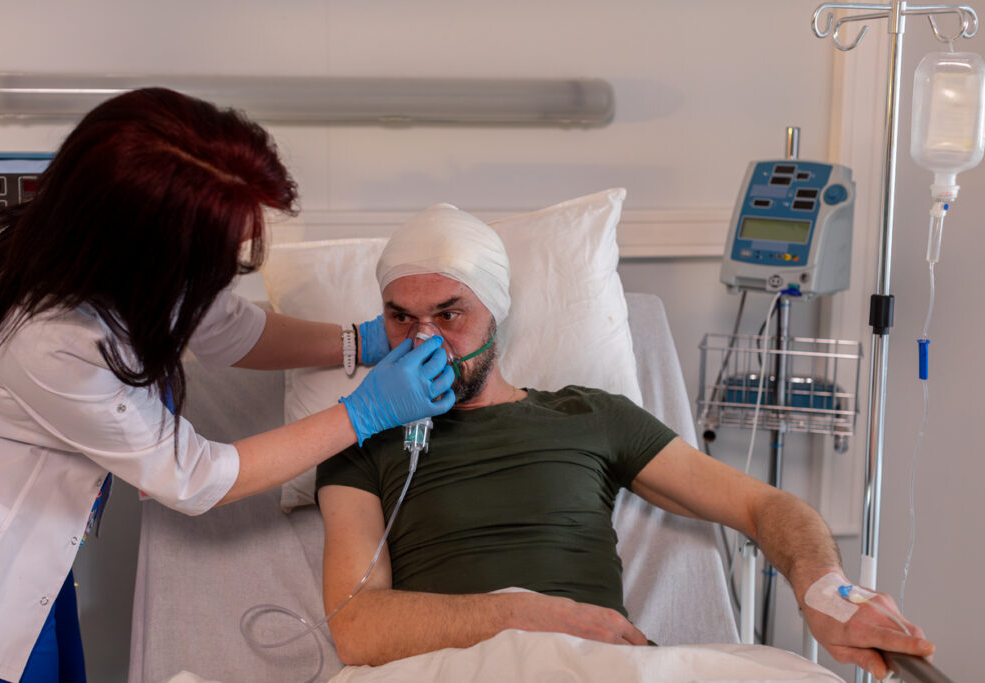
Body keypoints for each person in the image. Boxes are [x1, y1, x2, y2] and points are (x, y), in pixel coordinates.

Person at [316, 203, 934, 680]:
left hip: (600, 666)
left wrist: (824, 589)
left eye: (450, 315)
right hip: (453, 667)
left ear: (495, 315)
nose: (424, 341)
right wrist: (525, 615)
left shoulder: (590, 416)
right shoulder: (360, 437)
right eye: (401, 318)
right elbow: (356, 625)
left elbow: (764, 506)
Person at [0, 89, 454, 683]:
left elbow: (226, 330)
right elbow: (195, 477)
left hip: (38, 542)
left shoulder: (94, 247)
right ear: (149, 250)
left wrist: (358, 341)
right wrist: (362, 413)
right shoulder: (47, 336)